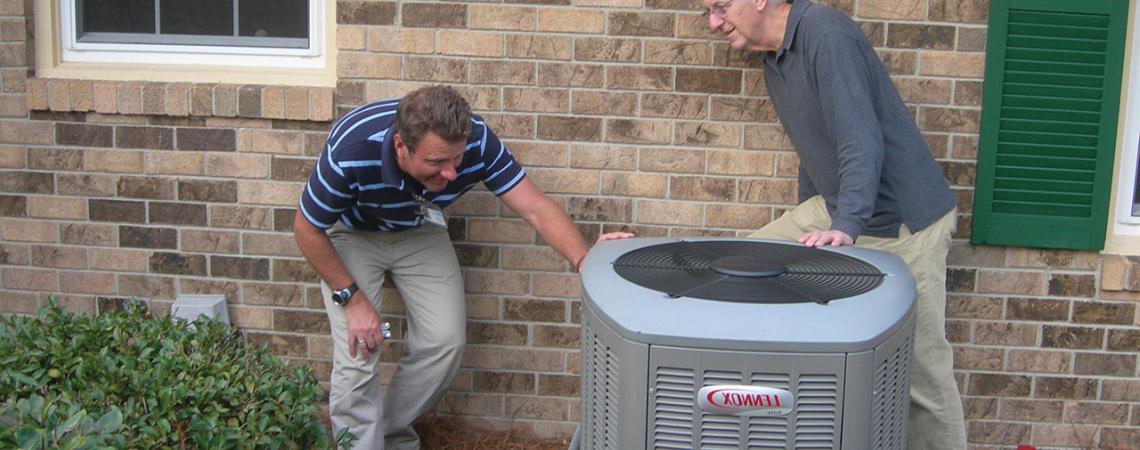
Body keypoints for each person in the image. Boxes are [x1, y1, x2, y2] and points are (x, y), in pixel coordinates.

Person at [293, 85, 632, 450]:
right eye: (437, 163)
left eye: (456, 160)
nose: (451, 173)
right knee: (359, 351)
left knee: (445, 341)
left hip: (419, 229)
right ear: (400, 148)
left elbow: (533, 205)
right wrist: (354, 300)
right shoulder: (352, 148)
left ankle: (392, 435)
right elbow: (306, 228)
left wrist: (584, 260)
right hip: (353, 233)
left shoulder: (477, 140)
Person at [702, 0, 965, 448]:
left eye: (720, 6)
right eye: (707, 10)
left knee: (921, 374)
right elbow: (815, 143)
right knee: (732, 268)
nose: (713, 22)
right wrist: (818, 212)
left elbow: (861, 136)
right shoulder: (775, 60)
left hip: (904, 225)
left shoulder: (825, 34)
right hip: (841, 206)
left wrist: (845, 225)